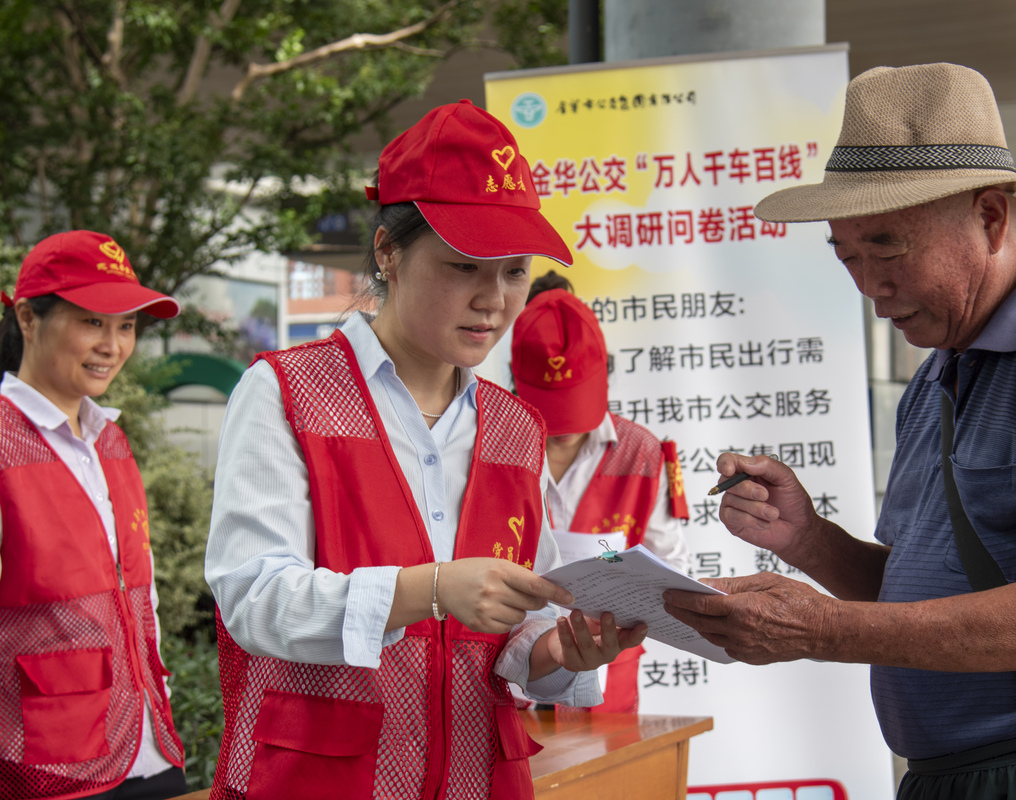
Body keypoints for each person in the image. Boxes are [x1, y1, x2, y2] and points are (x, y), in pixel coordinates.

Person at [662, 63, 1016, 799]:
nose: (871, 289)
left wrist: (819, 631)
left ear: (991, 217)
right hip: (948, 778)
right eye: (848, 257)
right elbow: (912, 593)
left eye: (889, 248)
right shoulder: (939, 372)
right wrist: (808, 540)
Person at [204, 99, 647, 800]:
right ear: (387, 250)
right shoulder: (286, 392)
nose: (493, 301)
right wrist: (430, 590)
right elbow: (255, 598)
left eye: (512, 272)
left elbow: (511, 631)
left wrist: (556, 651)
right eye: (464, 267)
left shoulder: (513, 427)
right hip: (323, 780)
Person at [0, 231, 186, 799]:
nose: (112, 345)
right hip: (49, 769)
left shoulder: (111, 441)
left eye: (126, 326)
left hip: (151, 748)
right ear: (29, 317)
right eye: (91, 322)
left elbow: (140, 593)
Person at [509, 274, 689, 713]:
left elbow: (673, 569)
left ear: (604, 376)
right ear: (515, 379)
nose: (564, 432)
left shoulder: (644, 454)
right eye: (552, 415)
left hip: (606, 681)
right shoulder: (488, 447)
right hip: (501, 685)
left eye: (575, 407)